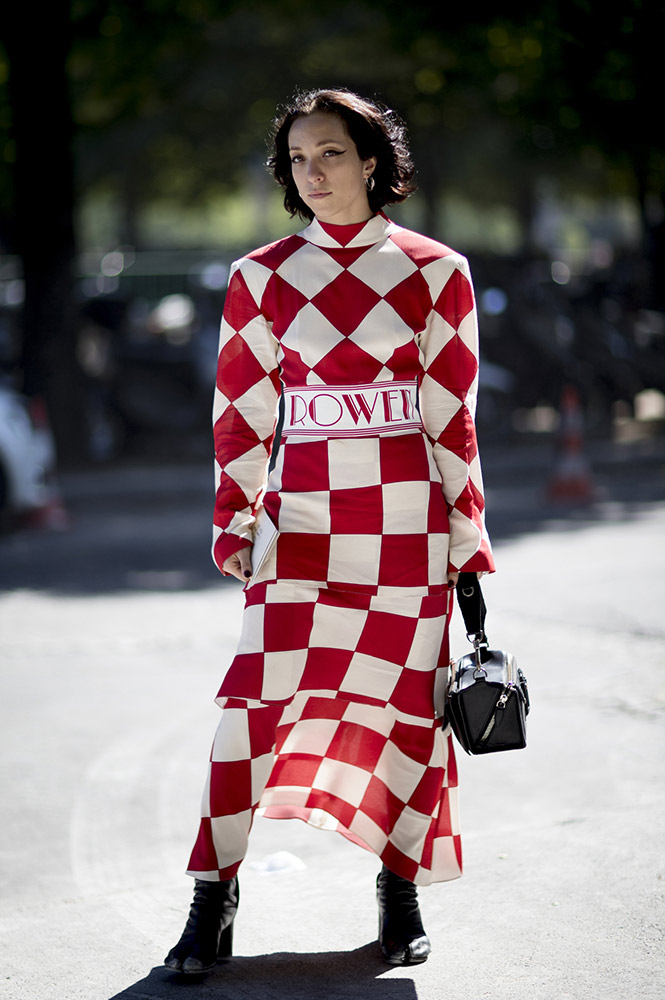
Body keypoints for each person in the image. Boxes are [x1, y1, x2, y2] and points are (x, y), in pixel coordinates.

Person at [164, 87, 494, 975]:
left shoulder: (437, 270)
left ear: (374, 160)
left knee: (403, 716)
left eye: (332, 154)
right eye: (298, 159)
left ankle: (399, 889)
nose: (313, 174)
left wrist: (467, 531)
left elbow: (450, 417)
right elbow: (240, 414)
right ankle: (212, 897)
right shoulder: (260, 275)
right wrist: (234, 517)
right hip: (300, 527)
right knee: (248, 713)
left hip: (405, 528)